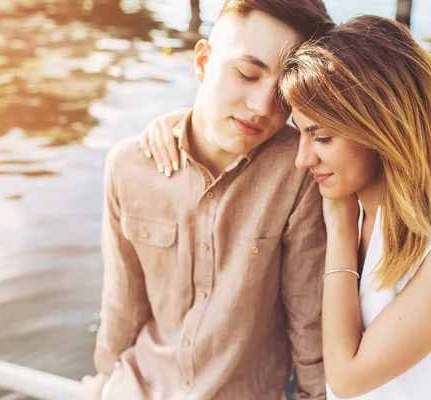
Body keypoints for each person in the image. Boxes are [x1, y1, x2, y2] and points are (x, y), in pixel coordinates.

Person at [142, 15, 431, 400]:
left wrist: (339, 231)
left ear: (382, 130)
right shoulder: (344, 185)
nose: (303, 159)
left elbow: (347, 379)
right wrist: (174, 126)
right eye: (301, 131)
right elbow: (240, 140)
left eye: (321, 137)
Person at [82, 1, 334, 399]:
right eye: (248, 74)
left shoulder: (299, 172)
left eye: (284, 93)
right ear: (202, 62)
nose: (263, 108)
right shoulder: (128, 166)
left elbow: (309, 321)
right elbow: (121, 304)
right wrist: (103, 379)